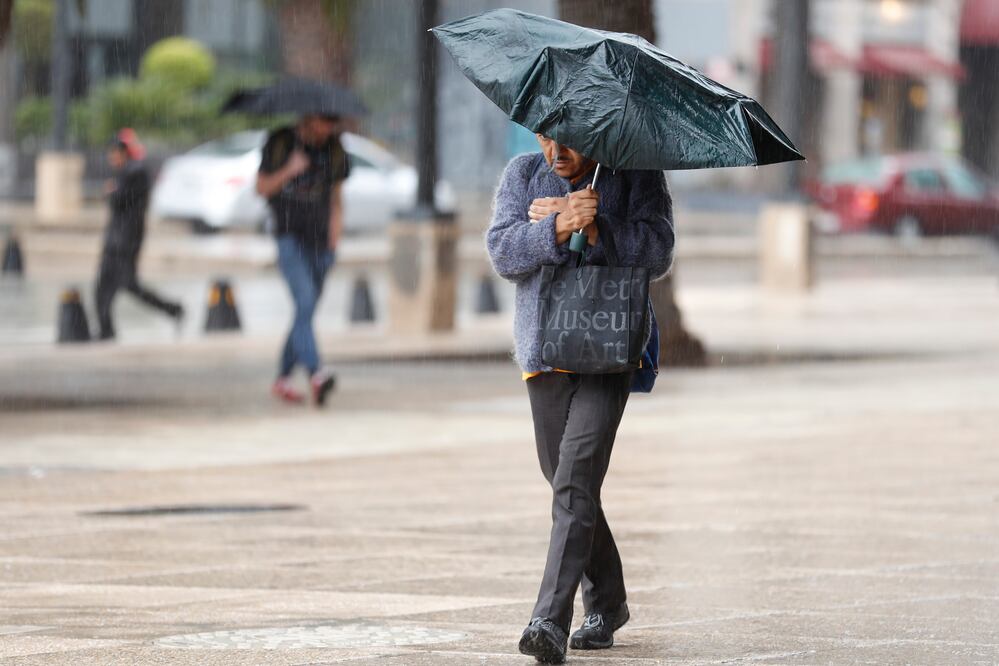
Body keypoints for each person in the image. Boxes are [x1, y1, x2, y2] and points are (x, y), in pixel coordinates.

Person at [487, 135, 674, 664]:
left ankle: (548, 618)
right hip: (544, 353)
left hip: (609, 352)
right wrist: (552, 228)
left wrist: (598, 227)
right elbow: (502, 252)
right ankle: (608, 602)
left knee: (574, 479)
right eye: (547, 136)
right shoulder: (523, 174)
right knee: (567, 478)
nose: (556, 149)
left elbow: (658, 252)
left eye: (568, 139)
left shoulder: (634, 174)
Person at [256, 114, 349, 406]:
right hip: (289, 237)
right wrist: (289, 170)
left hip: (321, 241)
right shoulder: (281, 143)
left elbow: (336, 198)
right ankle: (316, 373)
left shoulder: (334, 149)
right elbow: (261, 188)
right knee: (305, 302)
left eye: (333, 123)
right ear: (309, 118)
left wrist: (334, 241)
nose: (329, 128)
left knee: (303, 313)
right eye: (325, 121)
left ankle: (282, 378)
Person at [95, 129, 184, 340]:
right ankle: (106, 330)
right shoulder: (126, 172)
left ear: (124, 152)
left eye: (114, 152)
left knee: (128, 285)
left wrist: (112, 191)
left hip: (126, 240)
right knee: (102, 287)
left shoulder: (135, 171)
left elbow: (119, 199)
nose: (111, 157)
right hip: (115, 239)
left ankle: (173, 309)